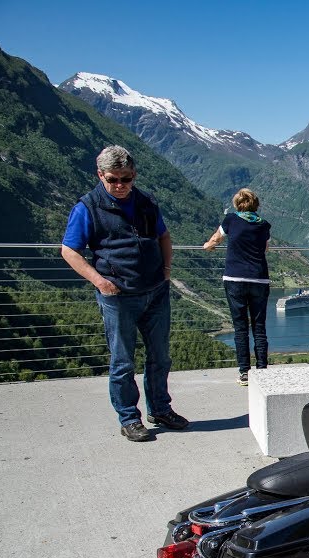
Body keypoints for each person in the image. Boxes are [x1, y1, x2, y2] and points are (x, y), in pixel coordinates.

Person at [60, 144, 189, 442]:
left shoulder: (145, 201)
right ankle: (129, 418)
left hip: (155, 290)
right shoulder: (87, 207)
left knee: (160, 356)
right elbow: (69, 250)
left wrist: (167, 271)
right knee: (122, 361)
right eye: (113, 179)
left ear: (134, 175)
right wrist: (100, 282)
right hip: (117, 296)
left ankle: (160, 409)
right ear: (100, 175)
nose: (120, 185)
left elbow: (163, 235)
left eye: (126, 179)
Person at [202, 188, 272, 387]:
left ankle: (244, 372)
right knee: (259, 327)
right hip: (259, 279)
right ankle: (262, 370)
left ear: (237, 204)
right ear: (255, 205)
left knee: (240, 327)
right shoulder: (264, 225)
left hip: (234, 279)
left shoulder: (231, 220)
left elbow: (216, 239)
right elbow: (265, 248)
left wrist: (208, 245)